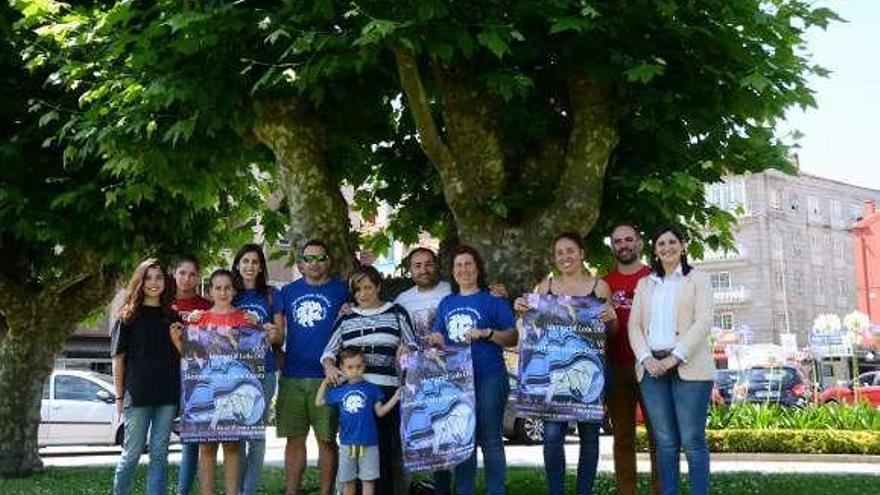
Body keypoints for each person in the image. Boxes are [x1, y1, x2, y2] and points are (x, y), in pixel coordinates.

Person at [513, 233, 617, 495]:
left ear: (582, 253)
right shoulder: (545, 287)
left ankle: (584, 492)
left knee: (590, 437)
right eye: (559, 252)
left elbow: (609, 333)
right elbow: (532, 328)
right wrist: (521, 309)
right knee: (551, 438)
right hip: (553, 376)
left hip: (589, 374)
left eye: (570, 250)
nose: (565, 256)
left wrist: (612, 318)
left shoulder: (600, 287)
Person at [629, 226, 714, 495]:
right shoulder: (645, 284)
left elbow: (704, 321)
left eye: (672, 242)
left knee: (692, 441)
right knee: (665, 442)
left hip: (690, 368)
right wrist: (645, 358)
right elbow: (635, 326)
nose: (667, 247)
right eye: (661, 243)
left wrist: (675, 357)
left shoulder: (698, 279)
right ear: (654, 250)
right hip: (651, 370)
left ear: (683, 246)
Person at [429, 245, 518, 495]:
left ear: (478, 268)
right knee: (463, 439)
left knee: (491, 439)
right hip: (457, 381)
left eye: (469, 264)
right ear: (452, 271)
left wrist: (487, 333)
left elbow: (512, 337)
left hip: (489, 376)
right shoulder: (447, 302)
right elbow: (441, 338)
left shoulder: (493, 299)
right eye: (458, 265)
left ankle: (495, 491)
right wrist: (437, 339)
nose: (464, 269)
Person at [321, 265, 416, 495]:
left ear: (378, 287)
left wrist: (406, 353)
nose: (363, 294)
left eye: (368, 287)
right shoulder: (346, 319)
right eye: (358, 290)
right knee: (354, 453)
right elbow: (328, 352)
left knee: (384, 452)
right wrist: (330, 366)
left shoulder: (396, 313)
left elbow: (413, 347)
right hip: (355, 394)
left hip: (387, 391)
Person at [272, 240, 351, 495]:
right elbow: (278, 334)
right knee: (294, 439)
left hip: (328, 377)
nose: (314, 263)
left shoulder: (342, 290)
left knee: (327, 440)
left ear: (328, 261)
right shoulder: (288, 292)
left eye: (320, 258)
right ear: (300, 264)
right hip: (293, 375)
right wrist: (278, 355)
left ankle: (326, 491)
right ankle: (291, 491)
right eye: (309, 259)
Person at [171, 269, 252, 495]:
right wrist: (178, 341)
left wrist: (262, 331)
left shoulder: (244, 319)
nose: (223, 292)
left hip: (234, 390)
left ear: (234, 290)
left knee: (232, 447)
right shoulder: (200, 319)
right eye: (218, 288)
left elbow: (254, 357)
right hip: (206, 390)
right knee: (206, 446)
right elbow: (191, 359)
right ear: (210, 291)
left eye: (227, 287)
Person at [111, 258, 183, 495]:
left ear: (166, 281)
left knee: (159, 454)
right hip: (138, 395)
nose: (154, 283)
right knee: (131, 454)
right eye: (148, 277)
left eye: (159, 277)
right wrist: (120, 398)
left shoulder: (173, 317)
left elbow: (189, 357)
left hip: (167, 395)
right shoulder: (128, 316)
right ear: (139, 281)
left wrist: (177, 341)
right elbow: (118, 359)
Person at [603, 223, 660, 495]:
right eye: (617, 241)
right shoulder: (603, 284)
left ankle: (661, 489)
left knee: (659, 436)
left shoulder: (654, 277)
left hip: (651, 367)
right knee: (622, 436)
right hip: (615, 366)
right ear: (612, 246)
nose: (623, 245)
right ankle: (626, 491)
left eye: (629, 239)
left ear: (638, 243)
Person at [316, 347, 402, 495]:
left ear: (364, 366)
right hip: (347, 443)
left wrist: (395, 398)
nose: (354, 371)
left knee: (368, 480)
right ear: (342, 368)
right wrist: (326, 381)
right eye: (350, 367)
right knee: (348, 481)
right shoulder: (339, 391)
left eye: (358, 367)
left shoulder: (372, 389)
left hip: (368, 442)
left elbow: (380, 412)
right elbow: (319, 402)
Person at [231, 244, 282, 495]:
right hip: (235, 374)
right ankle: (237, 489)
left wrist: (262, 327)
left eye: (255, 262)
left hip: (264, 371)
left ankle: (249, 491)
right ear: (237, 265)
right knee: (238, 436)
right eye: (245, 261)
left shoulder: (271, 295)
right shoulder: (230, 294)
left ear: (261, 267)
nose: (250, 266)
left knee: (257, 437)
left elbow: (278, 337)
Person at [172, 255, 213, 495]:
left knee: (191, 442)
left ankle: (183, 491)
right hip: (163, 375)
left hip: (195, 378)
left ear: (198, 277)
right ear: (174, 274)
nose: (187, 279)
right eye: (182, 273)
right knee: (158, 443)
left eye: (192, 274)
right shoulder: (163, 301)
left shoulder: (206, 306)